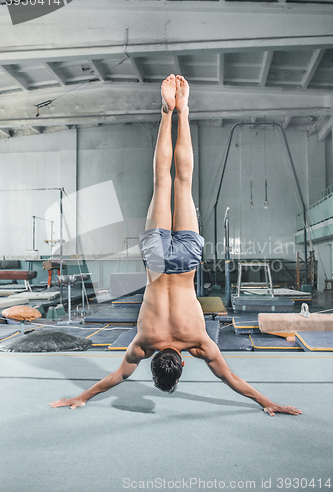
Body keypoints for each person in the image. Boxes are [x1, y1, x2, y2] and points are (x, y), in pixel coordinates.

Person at [50, 75, 302, 417]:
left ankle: (183, 112)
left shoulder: (198, 344)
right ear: (154, 362)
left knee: (182, 184)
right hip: (155, 261)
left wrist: (269, 403)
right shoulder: (143, 345)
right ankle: (168, 112)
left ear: (182, 362)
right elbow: (114, 377)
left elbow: (231, 379)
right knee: (163, 182)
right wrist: (81, 396)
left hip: (185, 263)